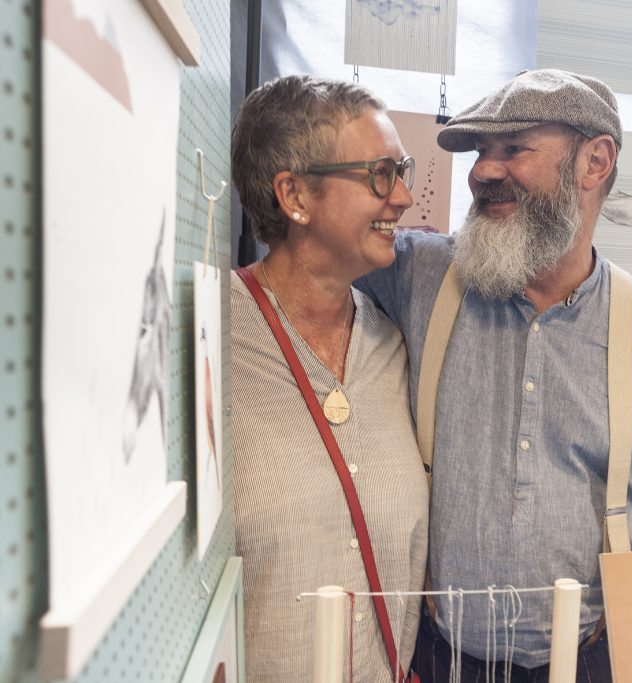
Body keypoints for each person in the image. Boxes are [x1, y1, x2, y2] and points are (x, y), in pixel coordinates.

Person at [357, 69, 632, 682]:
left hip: (600, 660)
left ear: (595, 162)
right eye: (480, 151)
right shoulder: (417, 275)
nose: (481, 171)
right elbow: (311, 252)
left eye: (513, 148)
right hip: (440, 657)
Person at [230, 75, 428, 682]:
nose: (402, 196)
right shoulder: (213, 335)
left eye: (402, 171)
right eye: (379, 174)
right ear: (295, 194)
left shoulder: (391, 347)